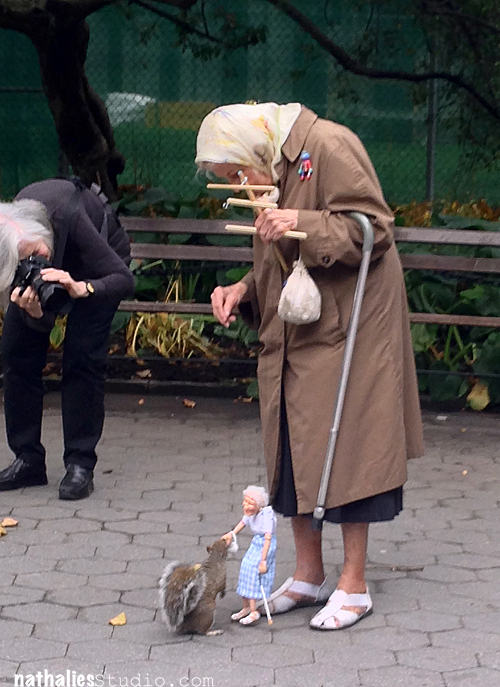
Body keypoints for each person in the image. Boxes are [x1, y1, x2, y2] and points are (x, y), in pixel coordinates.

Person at [196, 103, 424, 630]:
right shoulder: (273, 170)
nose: (240, 183)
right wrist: (243, 290)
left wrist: (303, 220)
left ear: (258, 148)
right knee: (292, 445)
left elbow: (375, 229)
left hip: (354, 327)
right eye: (229, 180)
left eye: (237, 173)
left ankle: (355, 585)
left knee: (351, 448)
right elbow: (283, 264)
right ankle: (307, 575)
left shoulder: (328, 145)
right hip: (299, 328)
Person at [0, 178, 135, 500]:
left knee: (82, 359)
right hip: (46, 262)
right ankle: (28, 459)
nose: (37, 262)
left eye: (37, 253)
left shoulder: (71, 217)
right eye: (24, 263)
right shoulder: (8, 239)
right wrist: (35, 315)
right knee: (16, 354)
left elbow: (122, 280)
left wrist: (83, 288)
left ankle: (80, 464)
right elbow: (41, 322)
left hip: (99, 270)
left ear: (41, 233)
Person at [222, 485, 277, 626]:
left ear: (259, 505)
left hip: (265, 545)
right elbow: (242, 523)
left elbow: (268, 538)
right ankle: (246, 606)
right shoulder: (250, 514)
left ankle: (254, 610)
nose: (246, 506)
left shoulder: (266, 516)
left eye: (250, 503)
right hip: (256, 543)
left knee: (254, 572)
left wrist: (263, 560)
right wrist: (232, 534)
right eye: (245, 502)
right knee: (245, 567)